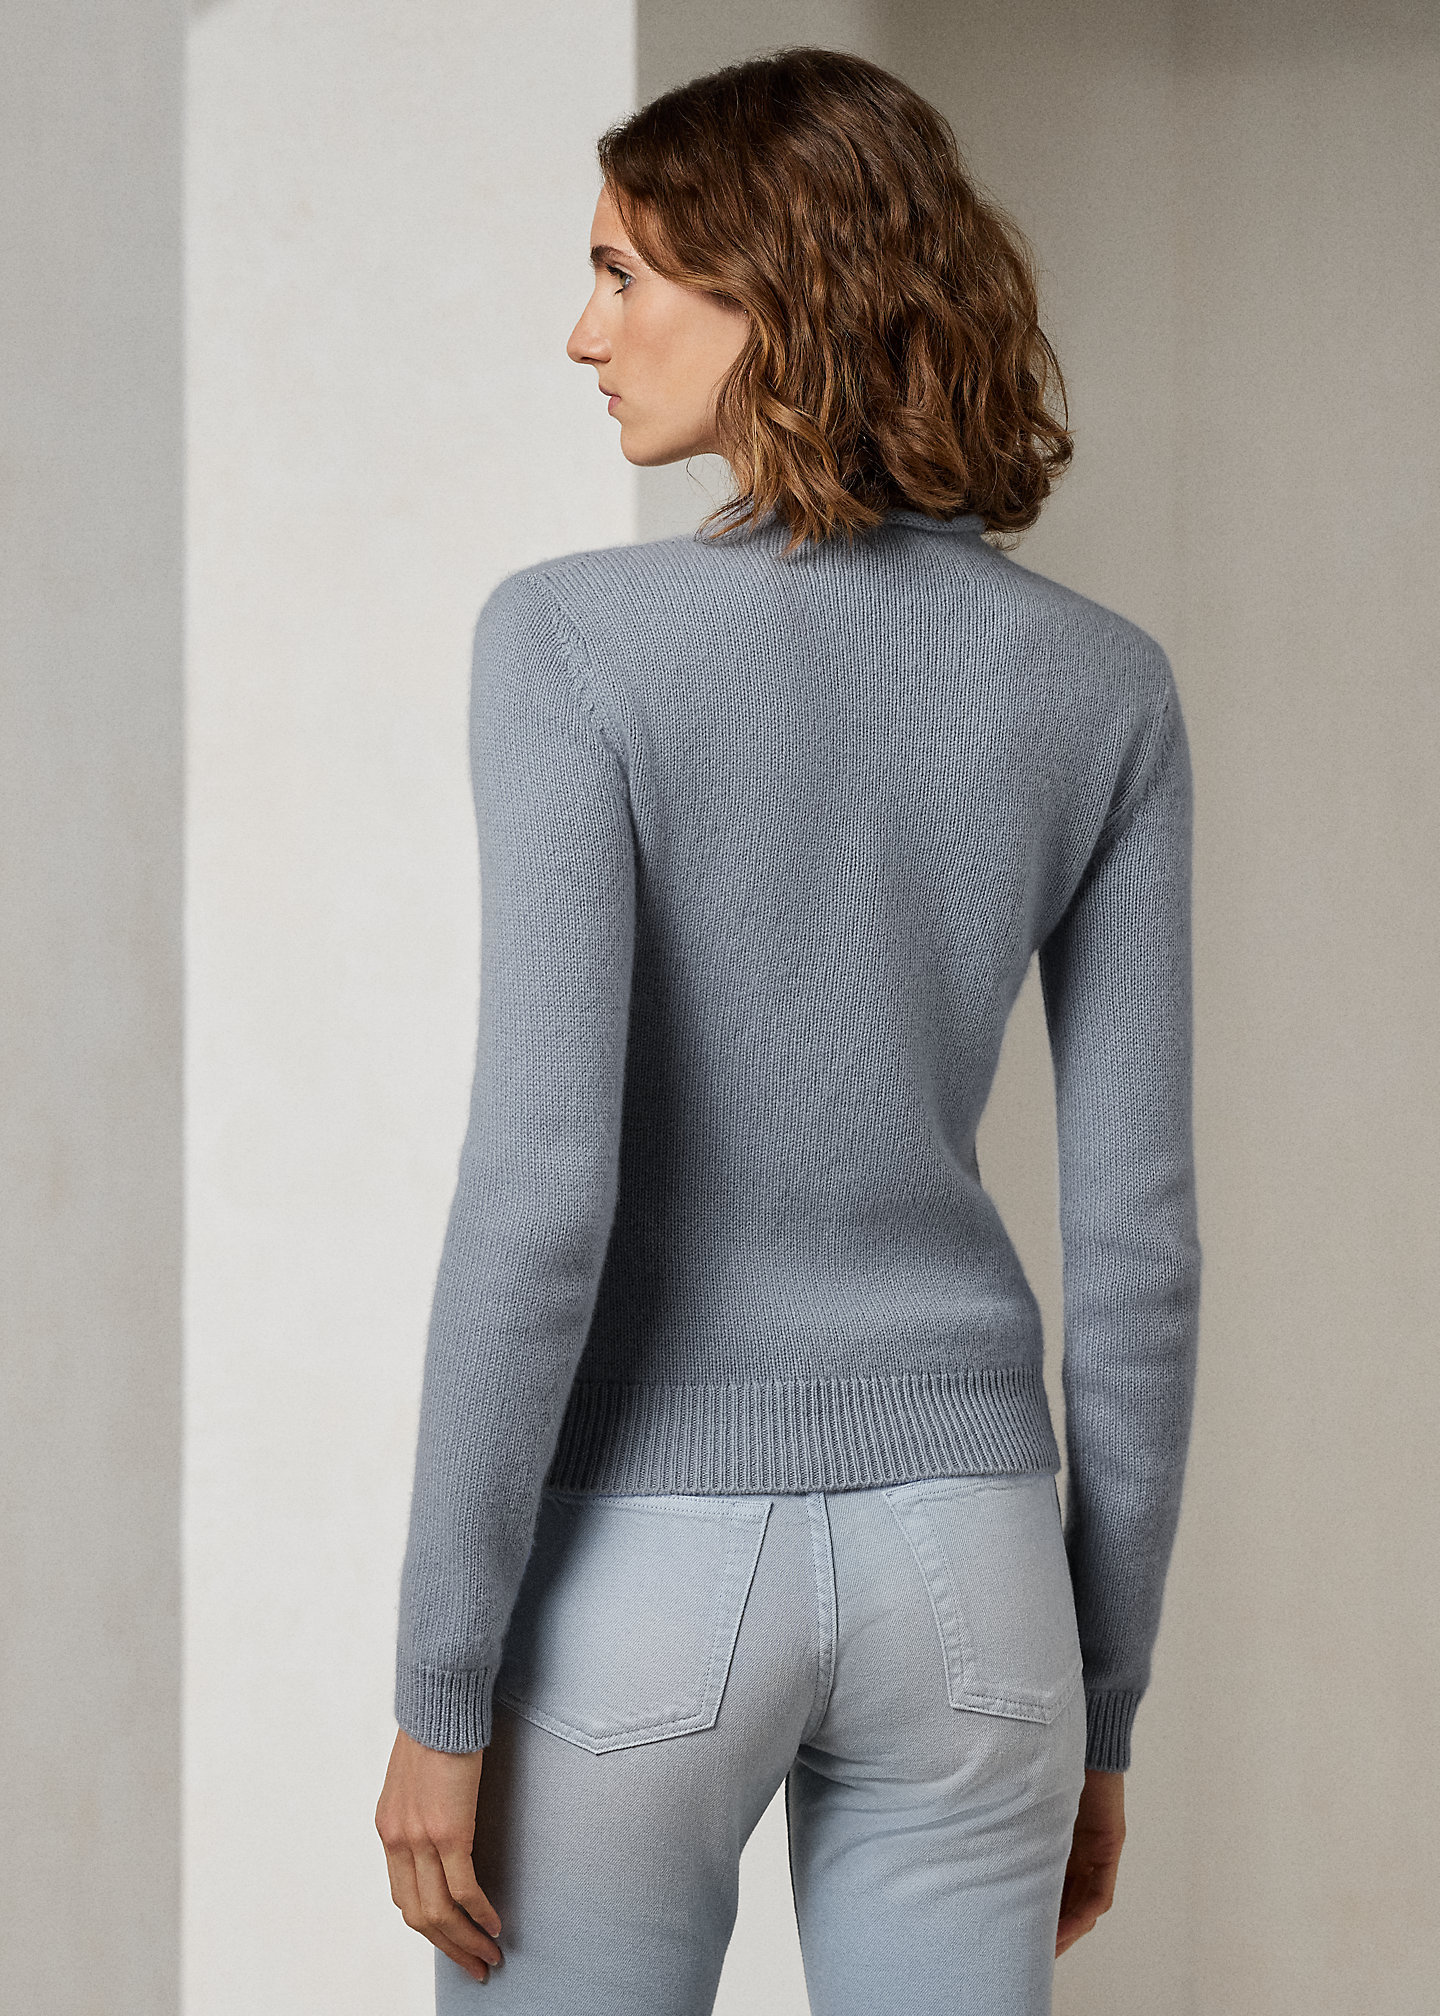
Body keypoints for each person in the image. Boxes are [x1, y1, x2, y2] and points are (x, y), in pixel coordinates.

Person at [375, 44, 1201, 2016]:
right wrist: (1102, 1702)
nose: (584, 332)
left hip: (641, 1565)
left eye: (622, 273)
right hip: (979, 1579)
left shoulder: (570, 641)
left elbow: (544, 1186)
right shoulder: (1103, 686)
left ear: (777, 291)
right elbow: (1141, 1247)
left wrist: (440, 1685)